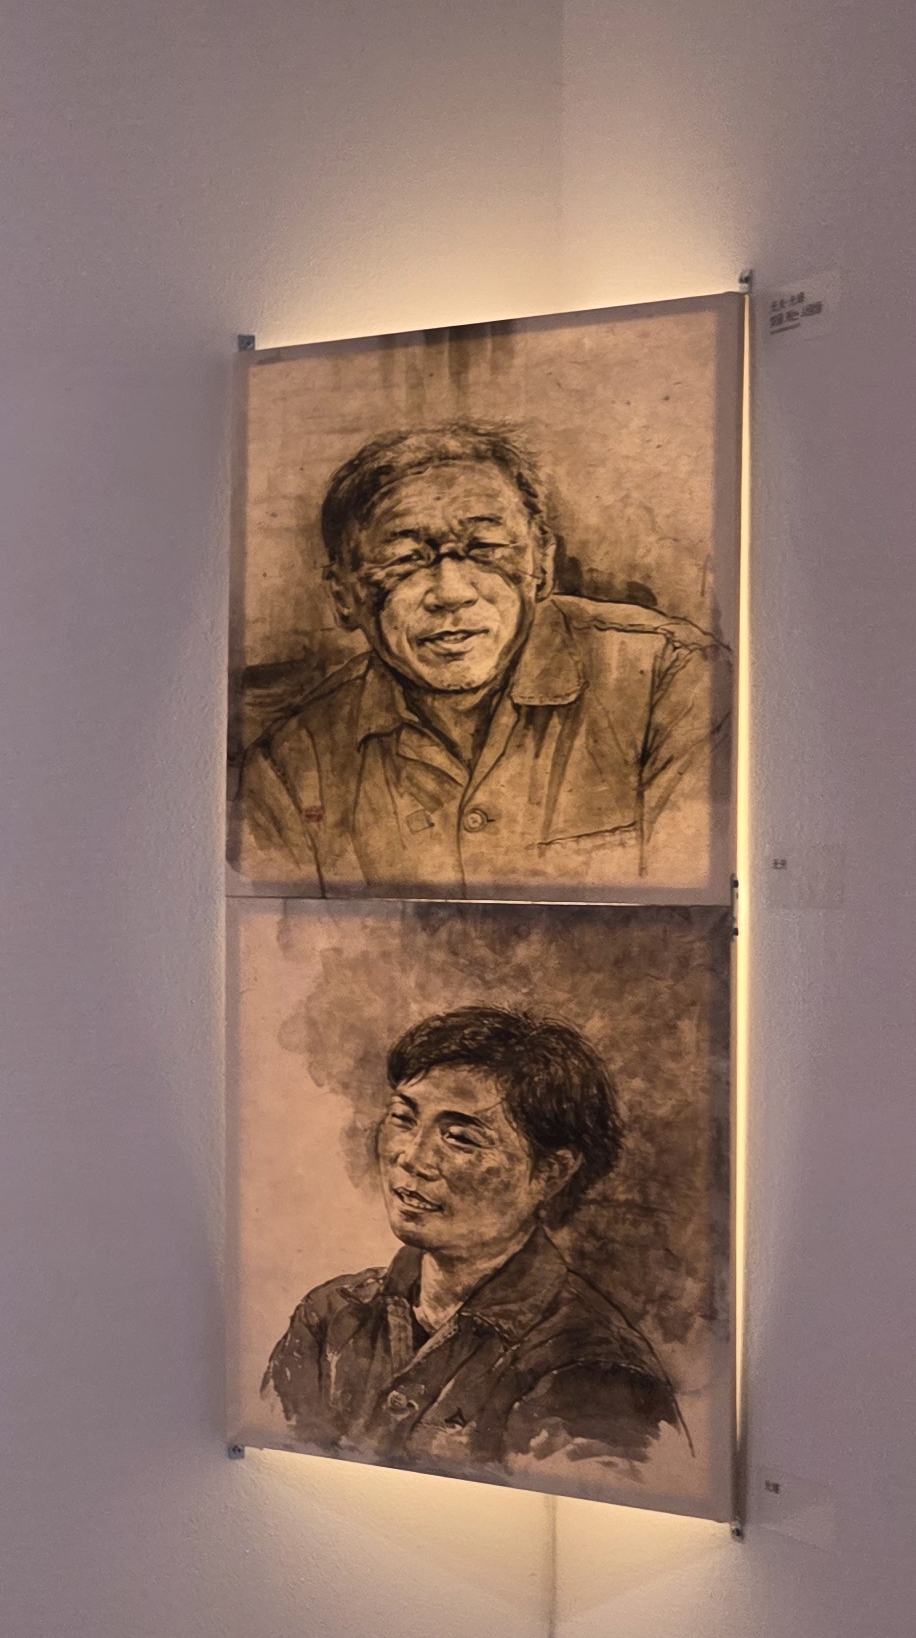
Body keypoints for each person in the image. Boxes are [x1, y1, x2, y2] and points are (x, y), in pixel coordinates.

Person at [238, 422, 719, 893]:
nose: (451, 593)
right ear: (344, 595)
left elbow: (694, 917)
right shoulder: (292, 764)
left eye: (485, 548)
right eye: (405, 559)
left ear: (542, 562)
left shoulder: (674, 678)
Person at [263, 1006, 679, 1471]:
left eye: (460, 1137)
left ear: (551, 1172)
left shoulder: (594, 1371)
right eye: (403, 1118)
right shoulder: (332, 1315)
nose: (412, 1158)